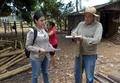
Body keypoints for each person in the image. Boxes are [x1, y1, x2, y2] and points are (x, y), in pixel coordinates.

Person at [71, 6, 103, 83]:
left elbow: (97, 40)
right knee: (77, 74)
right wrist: (74, 35)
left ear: (93, 17)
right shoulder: (81, 24)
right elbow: (74, 31)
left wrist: (83, 39)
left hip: (90, 55)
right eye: (85, 16)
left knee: (89, 77)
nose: (86, 18)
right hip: (79, 53)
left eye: (89, 16)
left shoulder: (98, 26)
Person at [25, 10, 53, 83]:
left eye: (44, 20)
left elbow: (47, 41)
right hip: (36, 58)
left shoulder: (44, 30)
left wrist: (51, 47)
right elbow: (28, 46)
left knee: (46, 73)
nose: (43, 22)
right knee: (35, 75)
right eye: (41, 20)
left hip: (45, 56)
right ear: (36, 21)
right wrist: (39, 49)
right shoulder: (32, 31)